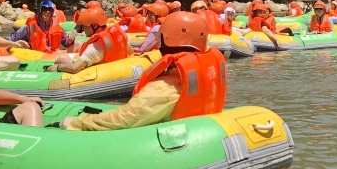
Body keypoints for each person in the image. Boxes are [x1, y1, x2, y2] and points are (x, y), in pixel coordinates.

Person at [63, 11, 227, 131]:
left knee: (64, 123)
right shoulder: (199, 69)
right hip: (199, 127)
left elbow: (124, 118)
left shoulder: (164, 88)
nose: (159, 44)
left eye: (160, 38)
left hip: (174, 136)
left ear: (168, 38)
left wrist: (77, 122)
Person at [53, 7, 131, 73]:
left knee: (60, 59)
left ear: (94, 26)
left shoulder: (94, 47)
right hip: (119, 69)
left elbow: (74, 68)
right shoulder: (120, 34)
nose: (83, 29)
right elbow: (131, 52)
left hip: (98, 74)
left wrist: (58, 67)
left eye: (85, 26)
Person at [7, 0, 72, 54]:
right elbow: (10, 39)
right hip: (37, 57)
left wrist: (71, 39)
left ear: (52, 12)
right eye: (44, 9)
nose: (47, 12)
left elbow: (66, 42)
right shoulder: (29, 27)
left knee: (77, 44)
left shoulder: (56, 26)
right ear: (40, 11)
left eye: (50, 10)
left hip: (53, 55)